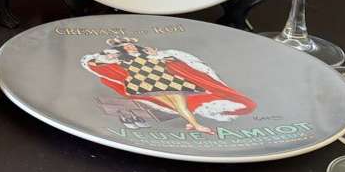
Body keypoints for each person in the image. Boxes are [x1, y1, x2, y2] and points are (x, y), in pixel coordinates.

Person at [81, 38, 254, 133]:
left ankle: (195, 124)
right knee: (175, 105)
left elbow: (173, 60)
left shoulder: (153, 55)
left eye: (132, 45)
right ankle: (193, 123)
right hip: (143, 83)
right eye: (127, 47)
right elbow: (94, 62)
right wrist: (106, 56)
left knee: (180, 105)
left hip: (164, 80)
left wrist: (156, 56)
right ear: (122, 50)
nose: (130, 48)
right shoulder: (119, 59)